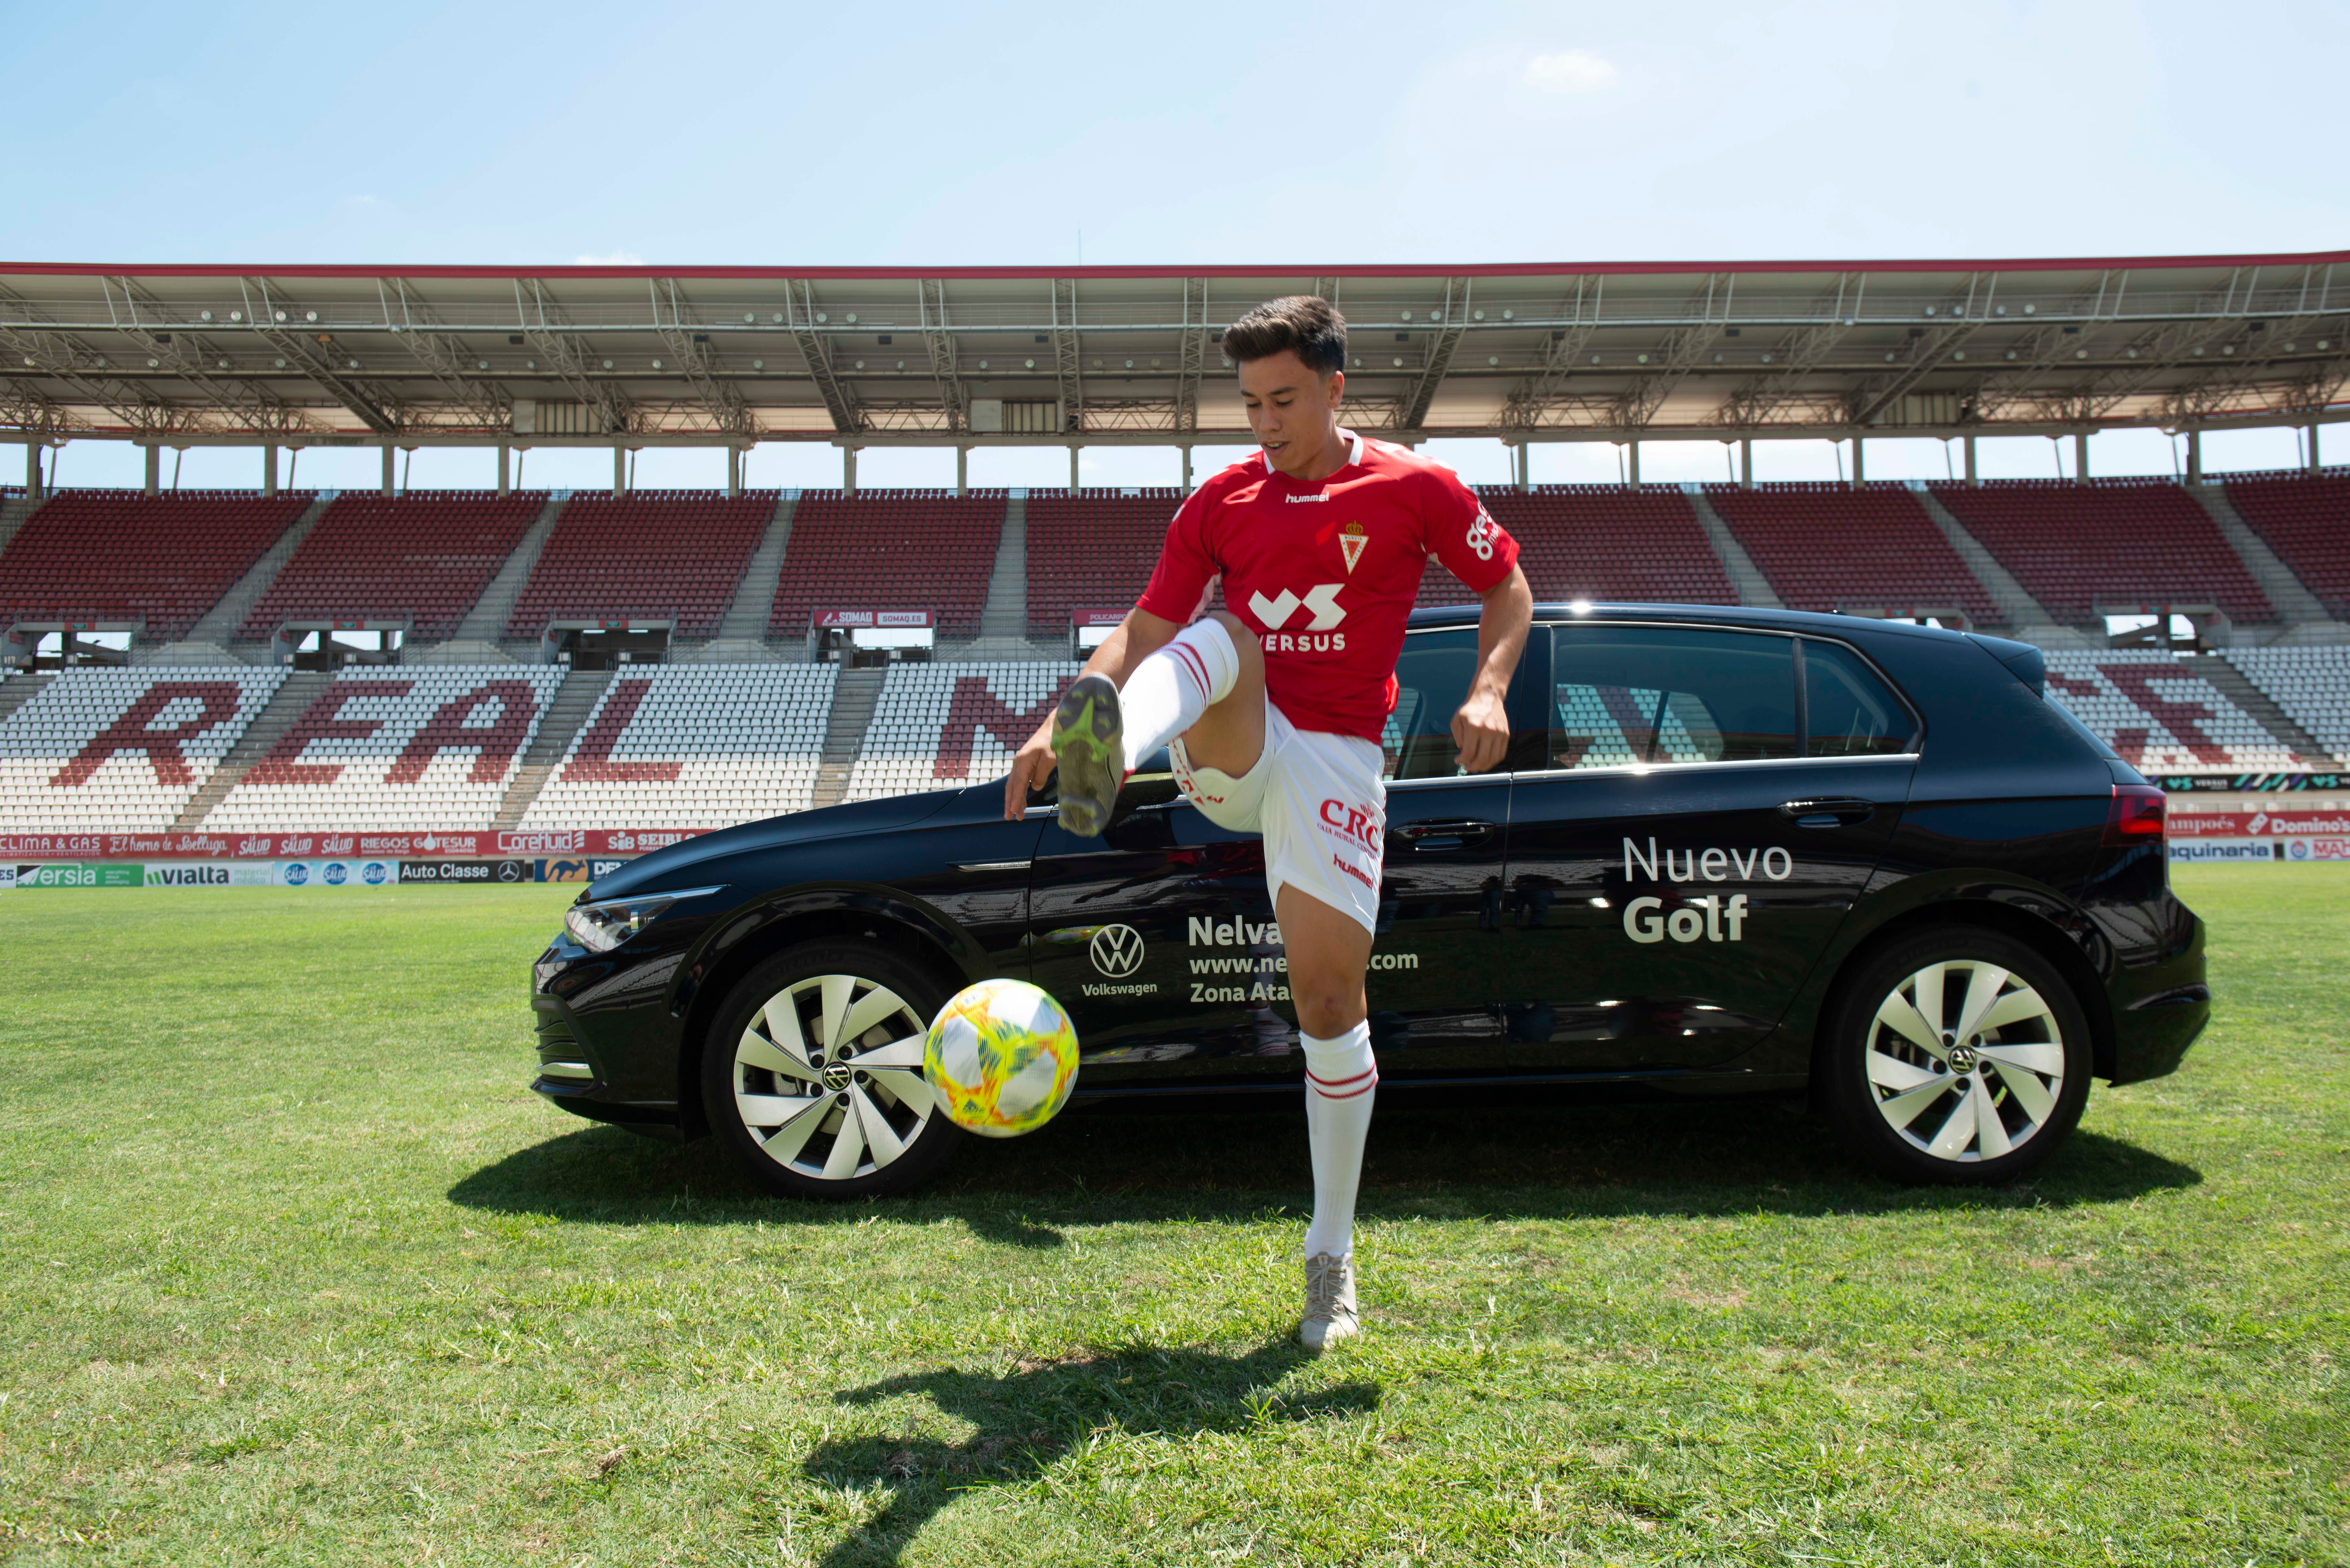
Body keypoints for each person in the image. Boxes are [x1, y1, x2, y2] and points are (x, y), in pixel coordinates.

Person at [1004, 295, 1531, 1350]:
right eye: (1249, 403)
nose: (1265, 422)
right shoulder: (1220, 501)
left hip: (1335, 757)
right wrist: (1061, 722)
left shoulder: (1416, 486)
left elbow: (1507, 587)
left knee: (1330, 1003)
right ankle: (1114, 756)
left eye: (1284, 399)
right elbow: (1142, 628)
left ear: (1337, 388)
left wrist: (1490, 688)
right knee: (1219, 636)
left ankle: (1329, 1259)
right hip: (1229, 745)